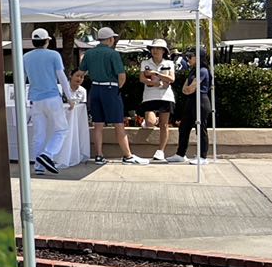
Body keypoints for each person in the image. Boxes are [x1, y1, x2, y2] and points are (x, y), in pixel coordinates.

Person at [82, 26, 138, 165]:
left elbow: (81, 71)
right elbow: (121, 76)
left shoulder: (89, 53)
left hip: (95, 89)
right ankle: (127, 155)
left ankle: (99, 155)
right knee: (118, 123)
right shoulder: (113, 54)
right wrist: (116, 88)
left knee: (98, 124)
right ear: (110, 39)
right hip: (110, 88)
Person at [21, 27, 73, 175]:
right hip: (52, 98)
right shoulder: (54, 55)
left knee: (39, 134)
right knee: (62, 129)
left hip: (35, 100)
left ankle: (38, 166)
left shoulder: (25, 57)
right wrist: (69, 98)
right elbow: (62, 78)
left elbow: (21, 79)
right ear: (46, 41)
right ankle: (48, 154)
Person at [138, 39, 176, 164]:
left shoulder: (169, 63)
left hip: (166, 97)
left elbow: (171, 79)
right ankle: (151, 120)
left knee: (164, 125)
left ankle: (161, 151)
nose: (155, 50)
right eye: (153, 48)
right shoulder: (145, 63)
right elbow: (142, 78)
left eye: (158, 48)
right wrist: (152, 83)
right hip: (149, 96)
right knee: (150, 122)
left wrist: (157, 74)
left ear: (164, 51)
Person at [174, 47, 215, 161]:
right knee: (184, 127)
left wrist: (188, 89)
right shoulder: (193, 70)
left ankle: (202, 156)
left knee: (200, 128)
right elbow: (185, 88)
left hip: (200, 100)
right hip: (191, 101)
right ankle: (180, 154)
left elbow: (191, 88)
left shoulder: (202, 70)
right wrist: (188, 89)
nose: (188, 59)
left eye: (191, 56)